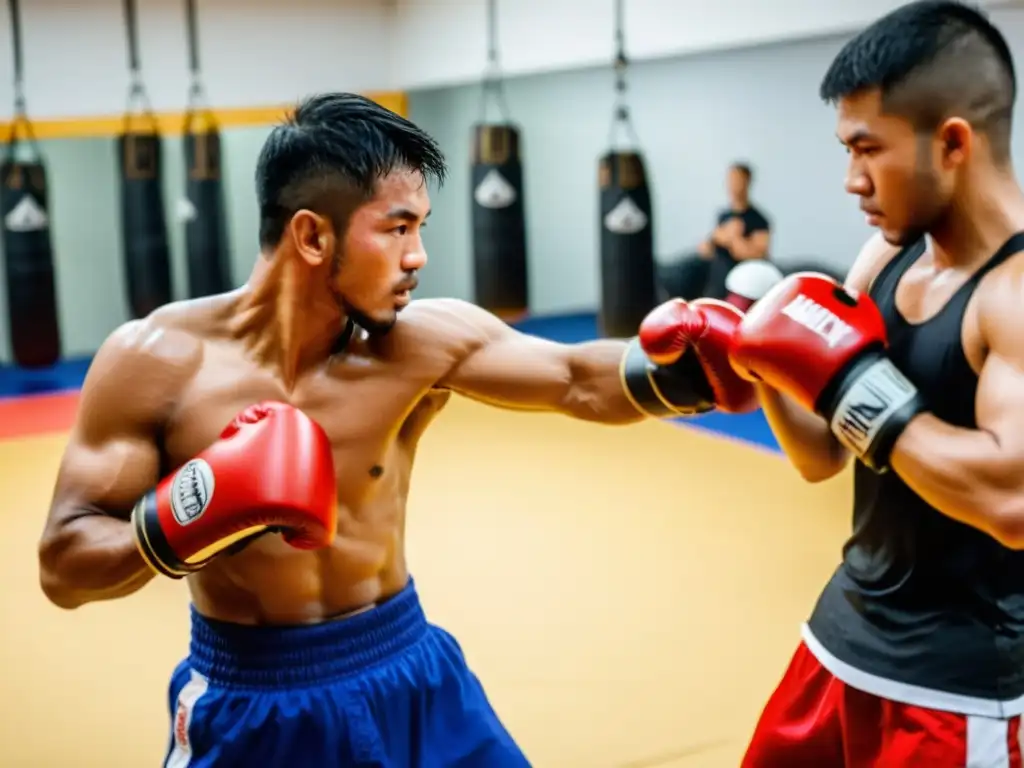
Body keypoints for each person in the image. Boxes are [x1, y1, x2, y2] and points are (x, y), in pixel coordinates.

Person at [35, 93, 776, 767]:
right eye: (397, 229)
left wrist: (688, 375)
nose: (418, 256)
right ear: (312, 237)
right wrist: (188, 515)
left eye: (420, 227)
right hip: (252, 702)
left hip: (411, 675)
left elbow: (578, 379)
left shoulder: (418, 342)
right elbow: (65, 565)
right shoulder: (157, 362)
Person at [727, 2, 1024, 764]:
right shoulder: (884, 259)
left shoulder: (1013, 292)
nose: (851, 181)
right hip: (837, 644)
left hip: (954, 691)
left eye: (868, 150)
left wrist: (852, 383)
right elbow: (821, 454)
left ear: (952, 142)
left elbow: (1009, 501)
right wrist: (758, 359)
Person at [659, 162, 773, 302]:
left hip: (738, 284)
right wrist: (716, 238)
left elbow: (758, 256)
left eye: (737, 179)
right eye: (731, 179)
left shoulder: (759, 220)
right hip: (715, 279)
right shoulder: (723, 216)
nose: (733, 185)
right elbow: (706, 249)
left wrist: (734, 238)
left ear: (747, 182)